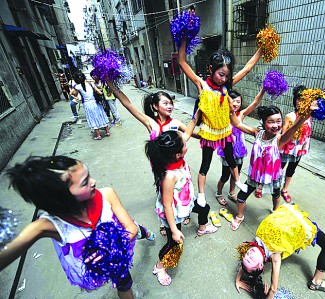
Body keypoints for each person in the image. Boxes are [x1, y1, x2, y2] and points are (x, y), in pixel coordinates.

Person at [0, 156, 154, 299]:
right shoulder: (51, 225)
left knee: (136, 236)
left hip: (119, 250)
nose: (93, 181)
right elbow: (11, 248)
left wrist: (111, 247)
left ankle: (146, 233)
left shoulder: (106, 194)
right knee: (123, 282)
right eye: (85, 182)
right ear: (61, 197)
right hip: (96, 265)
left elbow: (130, 228)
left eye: (89, 175)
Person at [178, 30, 263, 205]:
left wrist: (262, 48)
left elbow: (247, 69)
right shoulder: (203, 85)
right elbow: (182, 62)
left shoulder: (227, 87)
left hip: (225, 131)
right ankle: (201, 193)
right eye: (220, 74)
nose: (223, 79)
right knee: (205, 164)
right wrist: (184, 38)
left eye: (226, 75)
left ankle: (238, 181)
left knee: (232, 159)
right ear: (210, 69)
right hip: (209, 132)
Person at [106, 83, 194, 233]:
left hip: (178, 166)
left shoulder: (176, 123)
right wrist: (112, 87)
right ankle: (165, 218)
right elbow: (128, 104)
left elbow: (191, 133)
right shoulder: (151, 123)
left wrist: (210, 133)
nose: (170, 106)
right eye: (165, 103)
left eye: (171, 103)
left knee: (182, 190)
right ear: (154, 106)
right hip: (160, 166)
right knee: (163, 191)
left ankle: (183, 212)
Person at [146, 118, 218, 287]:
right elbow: (167, 205)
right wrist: (173, 230)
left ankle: (202, 228)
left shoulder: (173, 156)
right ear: (179, 154)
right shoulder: (170, 175)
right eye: (184, 143)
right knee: (174, 244)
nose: (187, 140)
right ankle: (160, 267)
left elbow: (186, 134)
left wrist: (197, 115)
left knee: (204, 208)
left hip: (186, 201)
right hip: (174, 211)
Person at [228, 103, 318, 231]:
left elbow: (293, 128)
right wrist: (230, 110)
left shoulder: (280, 139)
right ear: (263, 122)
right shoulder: (257, 133)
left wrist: (306, 114)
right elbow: (237, 124)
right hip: (255, 175)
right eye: (271, 122)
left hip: (273, 176)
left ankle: (275, 212)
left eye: (278, 121)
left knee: (276, 195)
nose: (276, 125)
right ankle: (240, 216)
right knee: (241, 197)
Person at [235, 203, 325, 298]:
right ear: (261, 265)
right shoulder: (275, 257)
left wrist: (237, 280)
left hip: (287, 215)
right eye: (251, 259)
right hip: (298, 224)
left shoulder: (253, 246)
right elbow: (273, 289)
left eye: (246, 255)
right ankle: (316, 282)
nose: (249, 254)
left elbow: (245, 264)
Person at [280, 84, 325, 203]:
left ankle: (284, 189)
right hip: (287, 148)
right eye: (299, 99)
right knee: (278, 167)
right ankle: (265, 183)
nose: (301, 102)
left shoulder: (310, 114)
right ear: (295, 100)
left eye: (304, 100)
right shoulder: (289, 116)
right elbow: (283, 135)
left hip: (299, 149)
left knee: (292, 169)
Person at [215, 88, 265, 205]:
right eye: (233, 101)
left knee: (236, 174)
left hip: (239, 151)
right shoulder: (223, 116)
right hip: (227, 151)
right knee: (225, 175)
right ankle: (218, 193)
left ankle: (232, 193)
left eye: (238, 101)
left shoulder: (241, 115)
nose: (236, 104)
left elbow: (255, 103)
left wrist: (263, 89)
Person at [70, 72, 110, 140]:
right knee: (101, 115)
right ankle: (107, 132)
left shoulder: (77, 86)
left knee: (92, 118)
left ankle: (98, 135)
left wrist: (73, 91)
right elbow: (99, 92)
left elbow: (75, 94)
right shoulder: (90, 83)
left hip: (87, 104)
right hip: (96, 102)